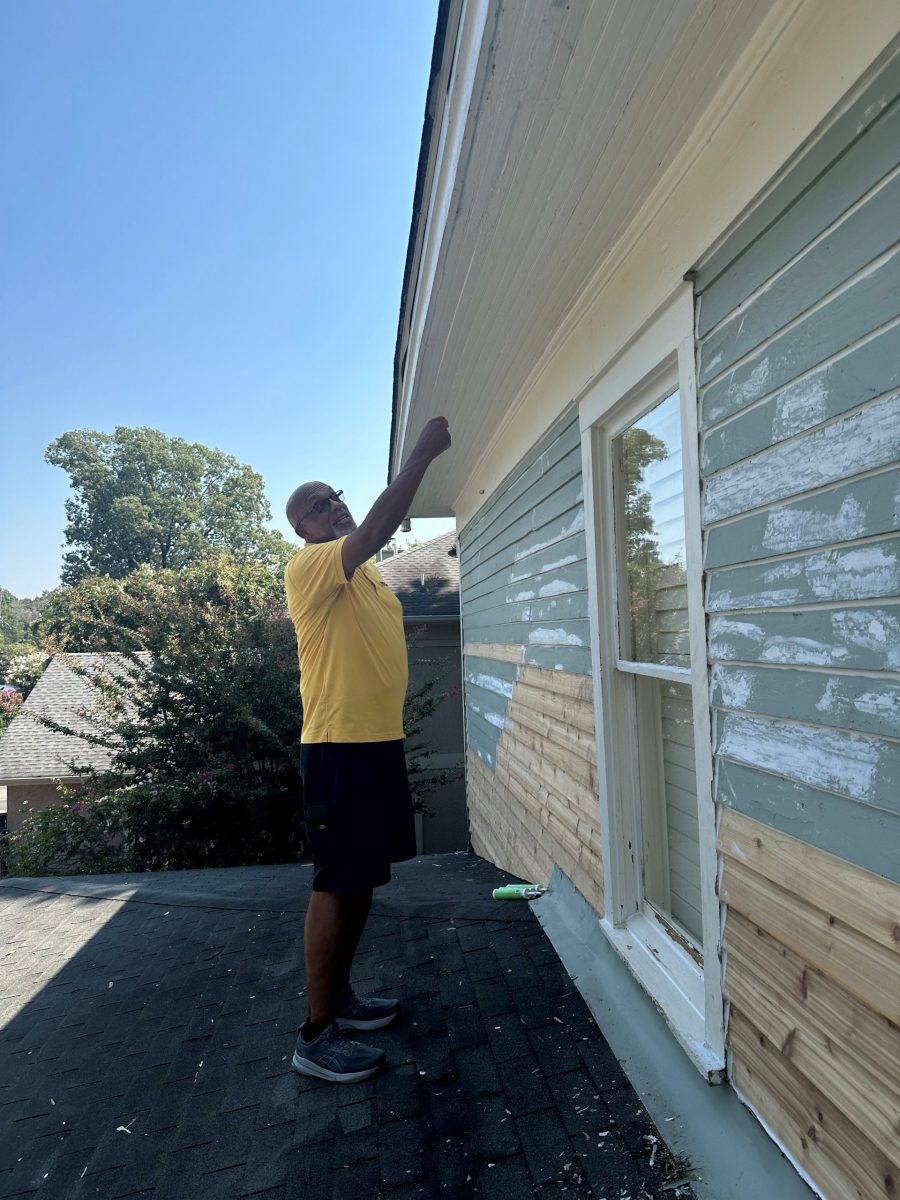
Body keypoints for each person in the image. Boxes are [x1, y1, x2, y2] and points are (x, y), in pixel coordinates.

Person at [284, 416, 451, 1083]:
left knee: (360, 881)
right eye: (316, 507)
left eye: (333, 497)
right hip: (337, 748)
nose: (333, 508)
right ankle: (316, 1034)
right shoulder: (314, 565)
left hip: (375, 745)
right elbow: (379, 527)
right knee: (335, 884)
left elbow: (374, 539)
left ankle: (344, 1002)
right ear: (303, 529)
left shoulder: (373, 579)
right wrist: (420, 456)